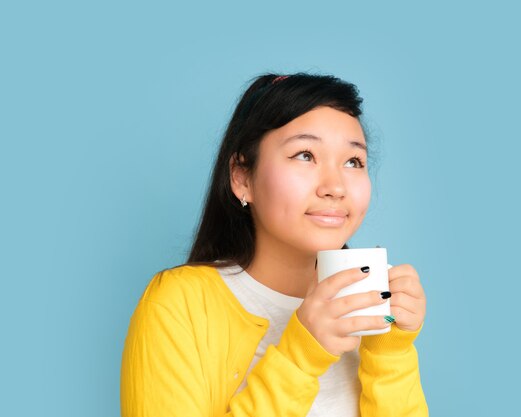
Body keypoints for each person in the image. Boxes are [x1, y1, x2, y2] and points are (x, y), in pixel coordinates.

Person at [120, 73, 428, 416]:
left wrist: (391, 351)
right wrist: (302, 354)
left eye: (353, 161)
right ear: (241, 177)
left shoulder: (370, 313)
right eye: (305, 155)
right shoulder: (178, 305)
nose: (335, 186)